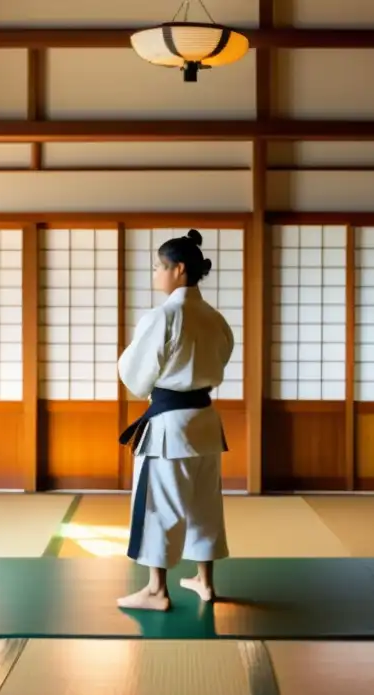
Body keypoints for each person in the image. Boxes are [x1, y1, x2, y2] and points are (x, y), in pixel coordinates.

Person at [116, 229, 234, 612]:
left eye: (157, 267)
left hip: (170, 426)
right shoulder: (215, 318)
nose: (154, 274)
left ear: (178, 269)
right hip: (205, 421)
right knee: (204, 505)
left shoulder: (163, 316)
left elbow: (135, 376)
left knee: (159, 504)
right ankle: (204, 580)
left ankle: (156, 590)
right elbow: (222, 358)